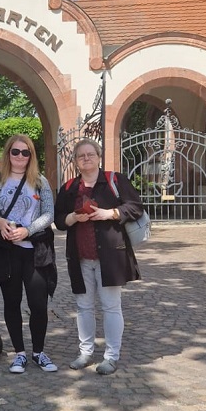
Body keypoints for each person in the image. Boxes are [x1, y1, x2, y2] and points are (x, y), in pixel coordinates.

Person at [53, 137, 142, 376]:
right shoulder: (70, 187)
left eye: (90, 154)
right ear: (76, 162)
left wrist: (109, 213)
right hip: (80, 256)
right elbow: (59, 219)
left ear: (99, 157)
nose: (86, 159)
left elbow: (135, 207)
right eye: (81, 156)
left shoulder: (115, 181)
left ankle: (111, 356)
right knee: (83, 307)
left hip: (110, 257)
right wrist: (73, 217)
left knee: (111, 307)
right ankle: (85, 352)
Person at [0, 134, 57, 374]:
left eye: (25, 152)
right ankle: (20, 354)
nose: (20, 156)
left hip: (35, 252)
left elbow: (49, 214)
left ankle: (38, 352)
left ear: (31, 156)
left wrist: (27, 230)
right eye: (15, 151)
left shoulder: (40, 181)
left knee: (38, 304)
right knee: (11, 303)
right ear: (8, 153)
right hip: (6, 253)